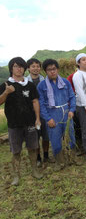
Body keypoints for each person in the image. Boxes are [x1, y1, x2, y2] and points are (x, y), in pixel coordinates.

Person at [0, 57, 43, 186]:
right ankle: (16, 175)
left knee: (33, 148)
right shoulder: (6, 84)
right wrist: (6, 92)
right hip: (14, 124)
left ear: (24, 68)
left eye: (21, 66)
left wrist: (37, 118)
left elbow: (35, 101)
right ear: (11, 69)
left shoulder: (29, 85)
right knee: (16, 151)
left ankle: (34, 170)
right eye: (15, 66)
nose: (19, 69)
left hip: (30, 122)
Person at [37, 59, 79, 171]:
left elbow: (72, 96)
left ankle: (72, 158)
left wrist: (72, 110)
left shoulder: (65, 82)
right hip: (52, 114)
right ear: (45, 71)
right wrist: (48, 118)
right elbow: (40, 104)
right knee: (55, 139)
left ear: (57, 69)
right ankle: (59, 161)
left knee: (70, 135)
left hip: (66, 112)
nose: (52, 72)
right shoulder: (41, 86)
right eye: (49, 70)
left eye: (54, 69)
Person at [27, 58, 54, 166]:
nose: (36, 68)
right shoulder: (25, 82)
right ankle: (38, 158)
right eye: (33, 66)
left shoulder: (45, 81)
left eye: (38, 66)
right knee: (35, 137)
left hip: (45, 112)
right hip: (32, 114)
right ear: (28, 68)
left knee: (46, 136)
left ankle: (46, 155)